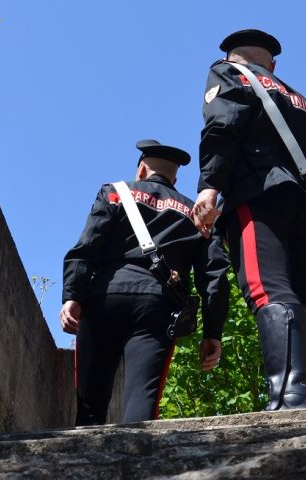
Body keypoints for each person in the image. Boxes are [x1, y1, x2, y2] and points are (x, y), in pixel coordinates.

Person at [193, 29, 306, 410]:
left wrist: (210, 186)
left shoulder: (228, 73)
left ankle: (291, 394)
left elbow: (222, 124)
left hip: (257, 193)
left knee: (268, 288)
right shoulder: (299, 98)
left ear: (232, 57)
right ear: (271, 63)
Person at [61, 140, 230, 425]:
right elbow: (213, 275)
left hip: (104, 298)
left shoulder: (114, 193)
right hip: (157, 307)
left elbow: (87, 247)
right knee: (143, 400)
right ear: (174, 179)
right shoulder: (196, 214)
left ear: (141, 170)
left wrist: (72, 295)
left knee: (90, 402)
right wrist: (212, 331)